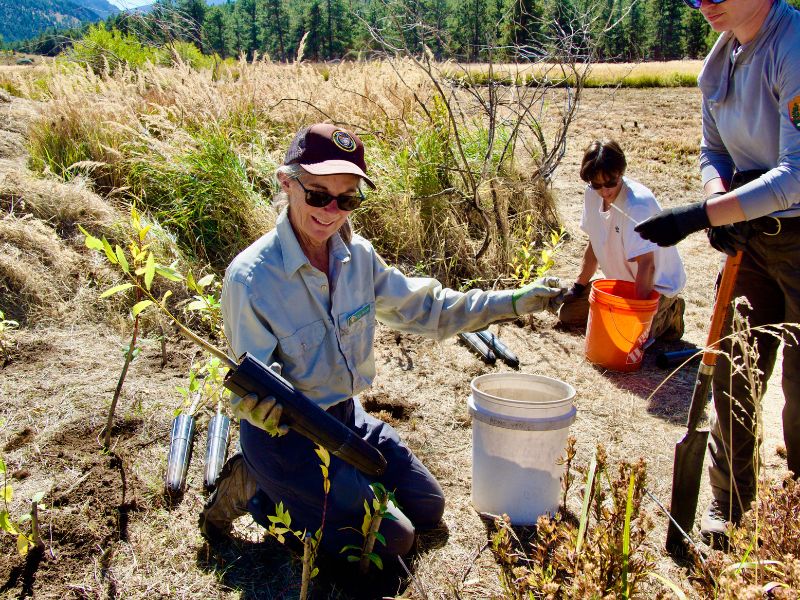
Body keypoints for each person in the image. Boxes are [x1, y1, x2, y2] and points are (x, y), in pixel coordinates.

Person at [198, 123, 564, 561]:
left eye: (347, 199)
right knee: (391, 541)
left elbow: (430, 309)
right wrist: (262, 411)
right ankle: (259, 489)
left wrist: (515, 301)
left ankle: (315, 491)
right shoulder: (251, 278)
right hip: (288, 440)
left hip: (345, 420)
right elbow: (254, 385)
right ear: (286, 182)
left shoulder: (358, 258)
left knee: (429, 507)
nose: (331, 211)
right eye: (317, 194)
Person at [634, 0, 800, 548]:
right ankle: (730, 506)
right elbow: (712, 150)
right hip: (752, 242)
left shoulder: (791, 46)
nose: (704, 3)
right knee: (734, 374)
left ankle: (792, 517)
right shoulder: (722, 57)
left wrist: (701, 215)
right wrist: (717, 193)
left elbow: (797, 177)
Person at [558, 139, 687, 342]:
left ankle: (670, 311)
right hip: (622, 284)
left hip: (654, 287)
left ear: (621, 173)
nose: (605, 191)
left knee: (630, 337)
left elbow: (647, 265)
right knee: (568, 315)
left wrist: (638, 316)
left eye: (610, 183)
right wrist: (578, 287)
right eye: (597, 185)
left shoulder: (637, 205)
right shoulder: (592, 195)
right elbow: (594, 244)